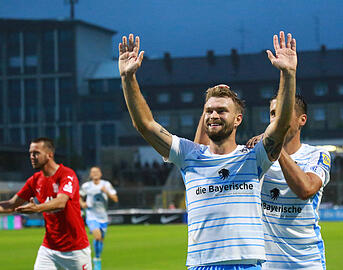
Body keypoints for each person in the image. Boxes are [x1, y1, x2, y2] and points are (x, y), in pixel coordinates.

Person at [118, 31, 297, 269]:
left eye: (222, 110)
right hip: (202, 264)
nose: (214, 115)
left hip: (246, 264)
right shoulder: (188, 154)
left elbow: (282, 124)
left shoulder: (253, 157)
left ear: (238, 119)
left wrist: (288, 73)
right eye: (209, 110)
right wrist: (128, 78)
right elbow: (145, 125)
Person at [244, 95, 331, 269]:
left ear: (302, 120)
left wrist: (276, 146)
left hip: (307, 262)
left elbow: (306, 189)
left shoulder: (317, 155)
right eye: (273, 114)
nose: (277, 120)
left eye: (283, 114)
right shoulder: (257, 156)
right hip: (267, 264)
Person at [0, 137, 90, 270]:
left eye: (36, 153)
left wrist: (37, 208)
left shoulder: (67, 174)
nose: (32, 157)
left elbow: (61, 202)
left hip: (75, 250)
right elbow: (11, 205)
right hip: (49, 249)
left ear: (50, 154)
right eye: (30, 153)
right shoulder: (34, 180)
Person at [80, 166, 118, 270]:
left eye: (97, 171)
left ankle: (97, 257)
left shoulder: (106, 184)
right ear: (90, 175)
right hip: (91, 215)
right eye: (93, 172)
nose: (95, 173)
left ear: (101, 174)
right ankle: (96, 261)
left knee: (101, 240)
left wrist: (106, 192)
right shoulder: (86, 186)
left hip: (103, 217)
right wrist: (82, 203)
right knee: (97, 236)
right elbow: (78, 196)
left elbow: (115, 199)